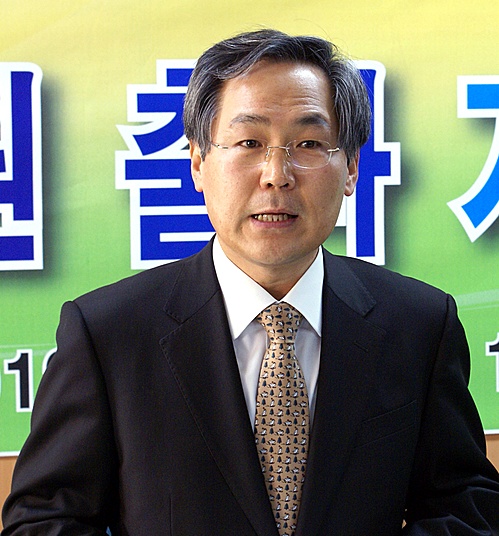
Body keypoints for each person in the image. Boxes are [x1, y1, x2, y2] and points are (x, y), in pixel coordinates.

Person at [2, 29, 499, 536]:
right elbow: (43, 522)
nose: (276, 175)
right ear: (199, 163)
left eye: (308, 144)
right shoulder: (108, 334)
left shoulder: (419, 325)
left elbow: (467, 505)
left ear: (350, 167)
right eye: (249, 143)